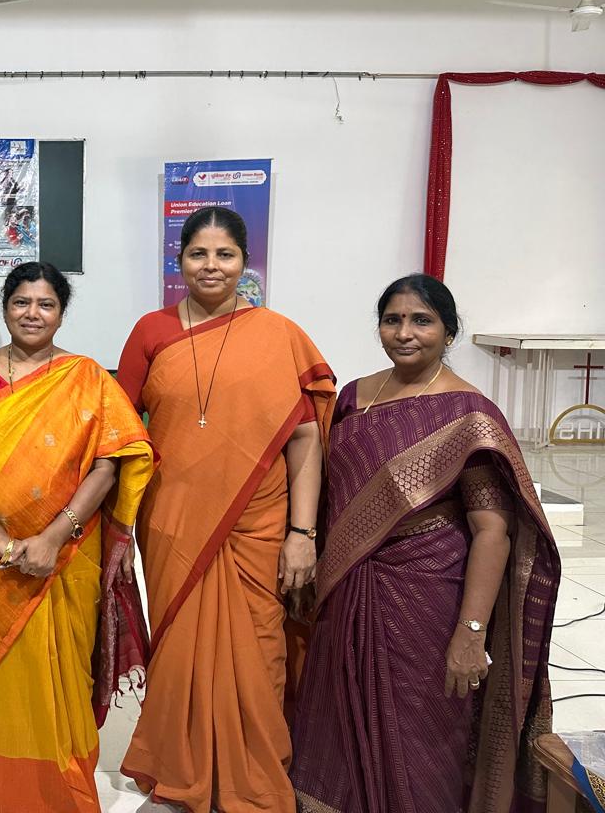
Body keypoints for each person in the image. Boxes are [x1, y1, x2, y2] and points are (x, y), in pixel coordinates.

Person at [290, 274, 561, 813]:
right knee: (335, 720)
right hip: (346, 590)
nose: (404, 333)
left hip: (427, 595)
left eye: (422, 320)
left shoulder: (468, 415)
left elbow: (492, 530)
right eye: (392, 320)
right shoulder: (353, 397)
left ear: (449, 331)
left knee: (422, 732)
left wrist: (471, 632)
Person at [116, 206, 335, 813]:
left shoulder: (279, 335)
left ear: (245, 261)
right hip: (173, 520)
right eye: (198, 254)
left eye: (225, 255)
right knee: (180, 647)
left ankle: (256, 775)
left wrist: (302, 533)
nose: (211, 266)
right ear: (179, 259)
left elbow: (305, 439)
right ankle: (180, 768)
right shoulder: (150, 331)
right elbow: (115, 430)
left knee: (258, 650)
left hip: (259, 522)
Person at [0, 262, 155, 813]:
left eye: (46, 304)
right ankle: (4, 790)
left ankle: (61, 791)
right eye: (21, 302)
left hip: (66, 553)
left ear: (61, 313)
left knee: (63, 672)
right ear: (5, 308)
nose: (32, 314)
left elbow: (110, 463)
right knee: (0, 668)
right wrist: (5, 546)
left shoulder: (87, 377)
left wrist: (54, 537)